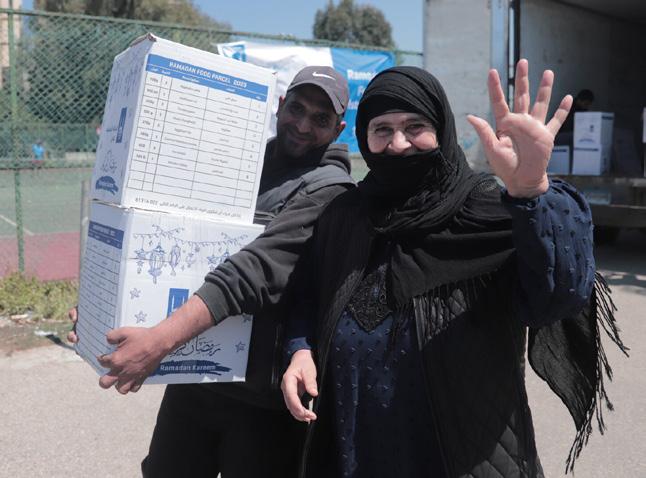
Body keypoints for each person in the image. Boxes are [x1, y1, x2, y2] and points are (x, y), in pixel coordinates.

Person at [281, 62, 627, 477]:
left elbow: (558, 297)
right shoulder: (346, 215)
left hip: (463, 459)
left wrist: (534, 192)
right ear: (363, 137)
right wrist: (300, 349)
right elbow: (308, 294)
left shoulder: (490, 211)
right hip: (356, 451)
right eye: (382, 129)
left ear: (441, 128)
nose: (398, 144)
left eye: (415, 126)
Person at [69, 65, 355, 477]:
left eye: (320, 118)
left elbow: (253, 272)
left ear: (338, 129)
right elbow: (168, 237)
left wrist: (158, 342)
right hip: (194, 378)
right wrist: (103, 309)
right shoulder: (239, 168)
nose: (303, 125)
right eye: (297, 108)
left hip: (262, 400)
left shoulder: (329, 189)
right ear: (280, 105)